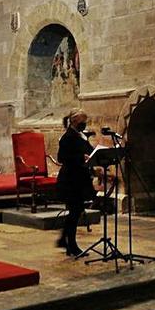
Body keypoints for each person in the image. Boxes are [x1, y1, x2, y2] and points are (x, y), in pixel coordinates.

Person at [56, 108, 95, 257]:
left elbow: (90, 152)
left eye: (85, 122)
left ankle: (63, 240)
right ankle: (71, 245)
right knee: (75, 211)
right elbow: (62, 158)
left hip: (80, 178)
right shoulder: (68, 137)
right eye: (82, 122)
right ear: (73, 122)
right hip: (71, 179)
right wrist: (81, 158)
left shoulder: (80, 136)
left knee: (76, 211)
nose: (84, 125)